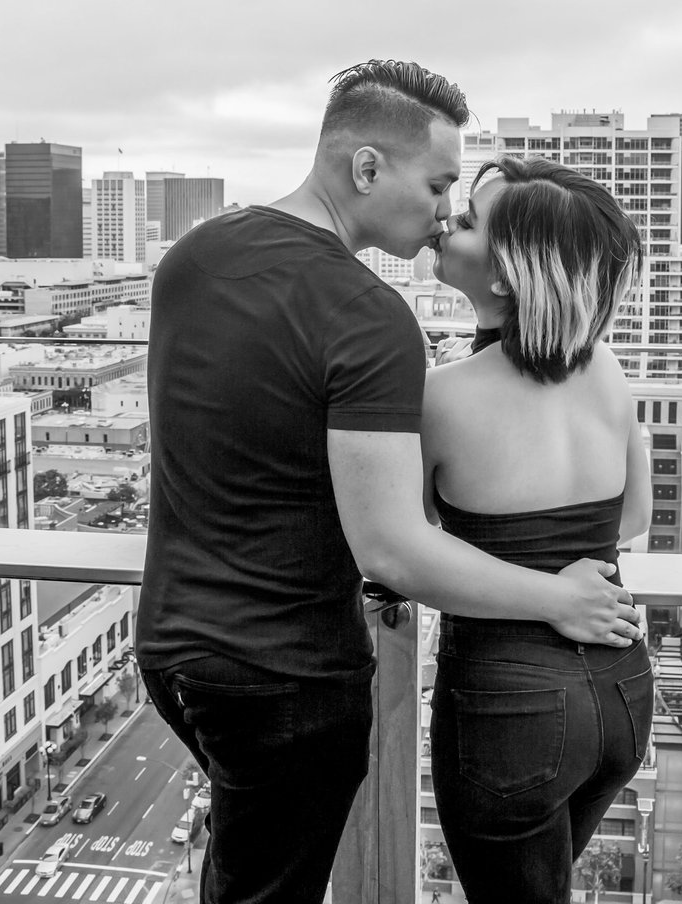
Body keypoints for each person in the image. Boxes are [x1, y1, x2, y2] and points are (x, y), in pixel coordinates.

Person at [137, 62, 642, 904]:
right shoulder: (371, 319)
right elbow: (394, 548)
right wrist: (559, 594)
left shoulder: (193, 257)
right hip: (293, 673)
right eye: (441, 186)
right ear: (367, 169)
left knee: (241, 872)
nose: (444, 213)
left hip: (174, 648)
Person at [423, 155, 654, 902]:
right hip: (621, 692)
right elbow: (636, 515)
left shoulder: (439, 397)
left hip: (508, 713)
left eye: (468, 221)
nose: (447, 223)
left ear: (503, 276)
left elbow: (409, 544)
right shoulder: (607, 369)